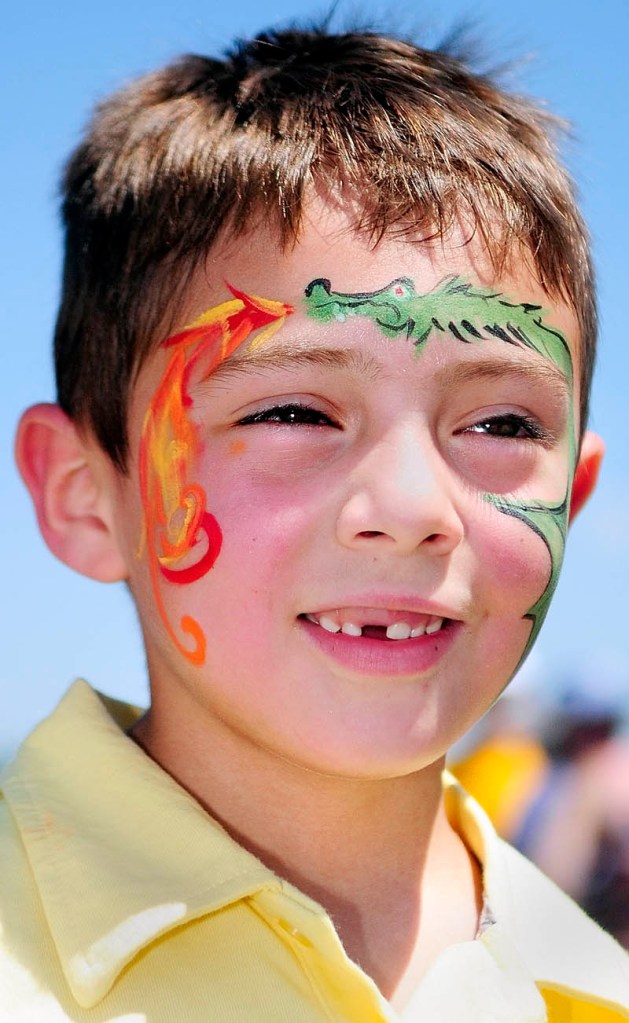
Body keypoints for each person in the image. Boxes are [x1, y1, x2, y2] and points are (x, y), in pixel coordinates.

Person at [3, 22, 628, 1021]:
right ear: (85, 495)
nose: (414, 510)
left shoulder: (592, 989)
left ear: (574, 493)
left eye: (500, 423)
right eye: (291, 411)